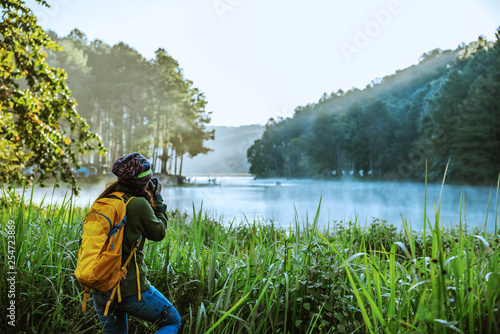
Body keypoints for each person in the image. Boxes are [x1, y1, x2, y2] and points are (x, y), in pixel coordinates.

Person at [92, 152, 181, 334]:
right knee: (172, 321)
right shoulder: (138, 204)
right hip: (130, 290)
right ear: (144, 182)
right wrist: (157, 199)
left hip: (100, 289)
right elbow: (159, 233)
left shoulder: (104, 200)